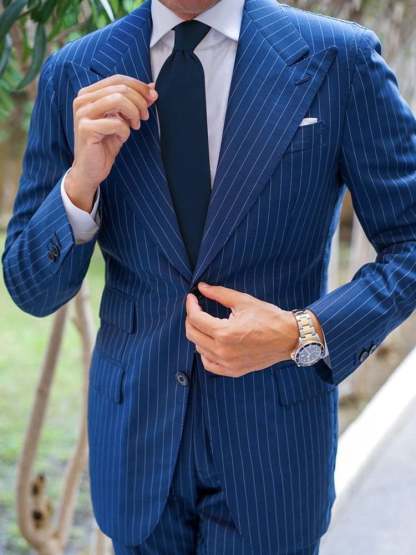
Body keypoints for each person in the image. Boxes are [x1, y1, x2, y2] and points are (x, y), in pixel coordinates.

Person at [3, 0, 416, 552]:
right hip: (136, 451)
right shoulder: (75, 71)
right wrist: (80, 185)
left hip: (273, 453)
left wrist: (302, 333)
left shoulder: (339, 58)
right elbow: (30, 286)